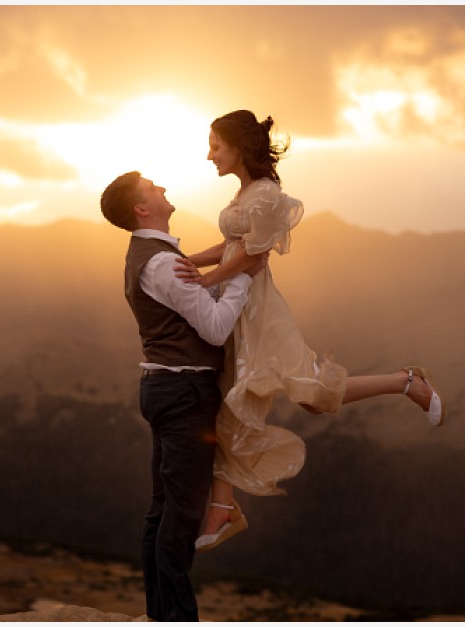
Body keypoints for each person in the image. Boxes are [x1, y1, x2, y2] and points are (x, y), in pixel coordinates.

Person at [173, 110, 445, 552]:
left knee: (312, 396)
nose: (209, 156)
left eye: (215, 146)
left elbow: (256, 256)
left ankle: (406, 381)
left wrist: (207, 279)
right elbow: (232, 247)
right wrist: (195, 263)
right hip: (236, 307)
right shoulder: (245, 193)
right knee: (225, 406)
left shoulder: (264, 196)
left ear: (238, 147)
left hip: (259, 313)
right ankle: (223, 510)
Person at [100, 171, 267, 622]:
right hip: (184, 391)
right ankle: (175, 617)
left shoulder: (156, 255)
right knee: (182, 509)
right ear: (141, 209)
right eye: (153, 188)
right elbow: (213, 326)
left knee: (163, 507)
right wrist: (242, 281)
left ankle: (162, 614)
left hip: (168, 387)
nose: (162, 190)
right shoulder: (158, 261)